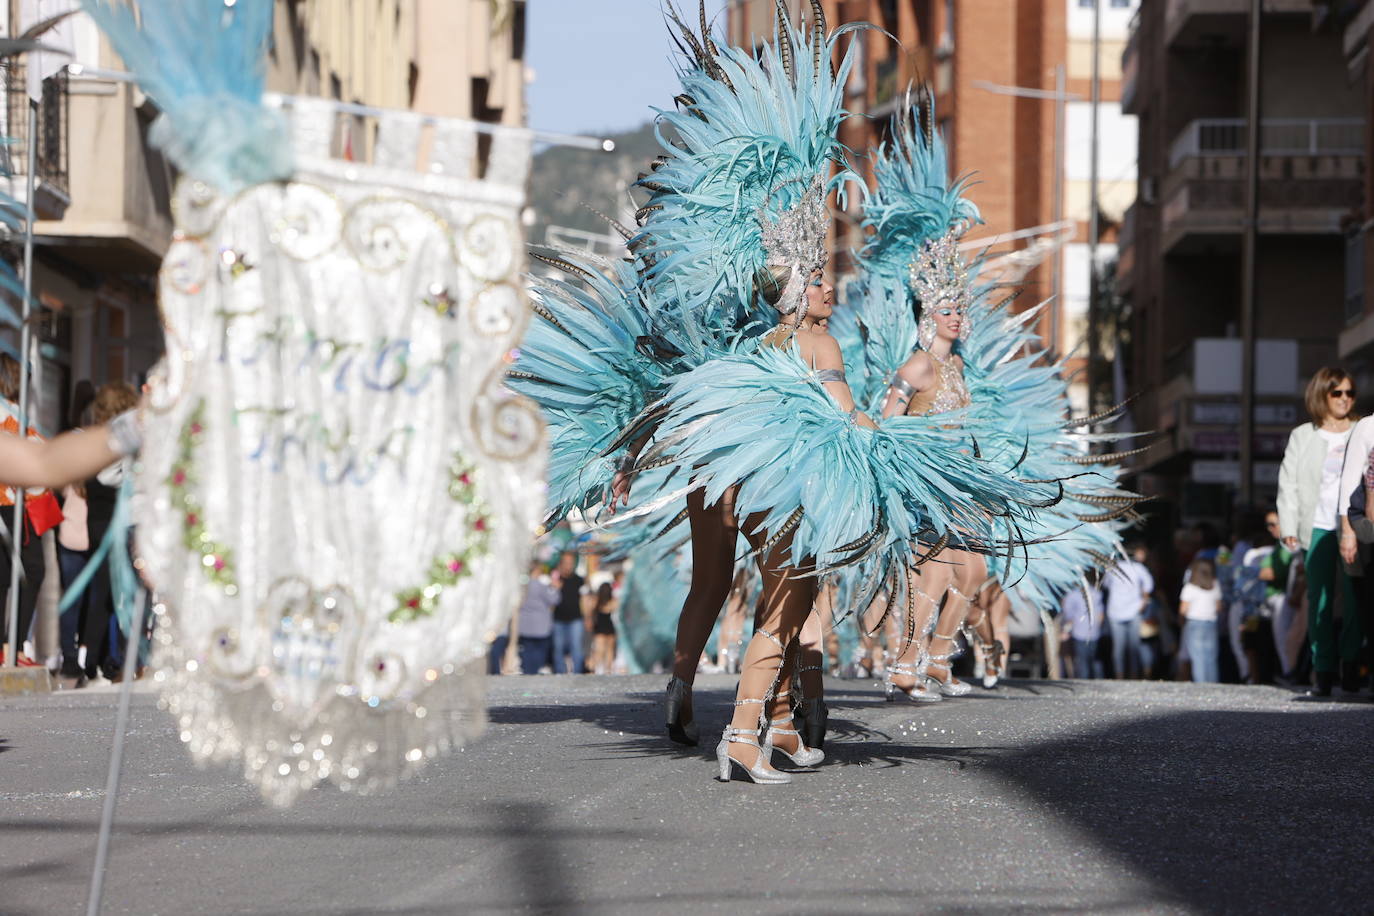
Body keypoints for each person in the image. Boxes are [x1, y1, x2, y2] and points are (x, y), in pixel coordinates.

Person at [1277, 367, 1359, 696]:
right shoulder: (1303, 435)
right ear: (1321, 394)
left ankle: (1352, 666)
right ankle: (1322, 670)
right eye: (1336, 392)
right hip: (1318, 527)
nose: (1344, 399)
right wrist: (1289, 526)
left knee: (1356, 600)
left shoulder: (1363, 431)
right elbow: (1289, 483)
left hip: (1354, 527)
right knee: (1319, 601)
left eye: (1350, 393)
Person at [1102, 541, 1154, 679]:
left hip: (1116, 611)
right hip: (1133, 611)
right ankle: (1134, 675)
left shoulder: (1112, 568)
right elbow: (1149, 587)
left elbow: (1106, 586)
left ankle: (1120, 676)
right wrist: (1143, 603)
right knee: (1133, 648)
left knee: (1118, 649)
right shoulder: (1139, 568)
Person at [1180, 557, 1223, 683]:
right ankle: (1213, 685)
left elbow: (1183, 610)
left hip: (1194, 623)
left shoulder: (1190, 588)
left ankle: (1201, 685)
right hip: (1211, 623)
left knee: (1198, 658)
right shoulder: (1215, 585)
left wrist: (1181, 622)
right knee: (1211, 657)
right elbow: (1219, 607)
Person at [515, 561, 558, 675]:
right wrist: (555, 588)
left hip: (525, 625)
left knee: (526, 653)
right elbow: (554, 600)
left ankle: (527, 673)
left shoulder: (522, 586)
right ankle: (534, 674)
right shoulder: (542, 586)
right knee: (539, 653)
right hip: (541, 626)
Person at [1059, 580, 1104, 679]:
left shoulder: (1073, 595)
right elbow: (1101, 616)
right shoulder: (1097, 593)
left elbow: (1068, 616)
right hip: (1094, 633)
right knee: (1095, 663)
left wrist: (1065, 630)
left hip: (1079, 633)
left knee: (1083, 664)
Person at [550, 552, 586, 675]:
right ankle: (560, 673)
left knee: (576, 648)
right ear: (561, 564)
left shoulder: (579, 580)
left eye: (571, 563)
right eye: (566, 563)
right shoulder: (555, 579)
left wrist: (588, 617)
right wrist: (554, 588)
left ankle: (577, 674)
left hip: (575, 619)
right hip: (558, 619)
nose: (568, 566)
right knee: (558, 649)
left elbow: (585, 600)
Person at [587, 581, 618, 675]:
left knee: (600, 650)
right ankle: (607, 670)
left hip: (601, 628)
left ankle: (597, 669)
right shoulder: (612, 601)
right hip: (608, 628)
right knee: (608, 650)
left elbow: (589, 612)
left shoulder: (596, 601)